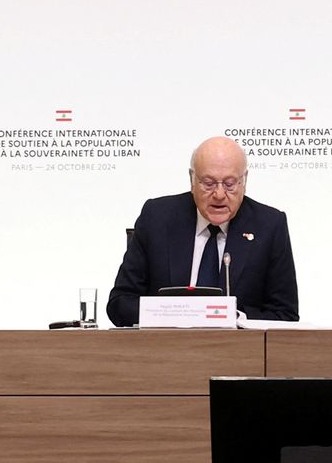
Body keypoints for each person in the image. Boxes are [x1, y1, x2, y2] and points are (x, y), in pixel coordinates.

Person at [107, 136, 298, 326]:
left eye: (230, 184)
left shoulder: (269, 225)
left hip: (239, 351)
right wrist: (172, 314)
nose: (219, 194)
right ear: (192, 179)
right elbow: (120, 304)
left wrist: (234, 317)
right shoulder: (157, 218)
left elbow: (286, 314)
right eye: (208, 183)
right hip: (165, 349)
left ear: (244, 181)